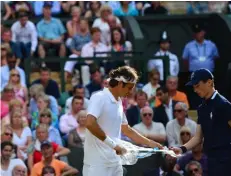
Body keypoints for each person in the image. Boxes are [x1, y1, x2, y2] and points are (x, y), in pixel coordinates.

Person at [83, 66, 162, 176]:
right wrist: (113, 145)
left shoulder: (119, 102)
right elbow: (90, 123)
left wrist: (150, 142)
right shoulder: (99, 97)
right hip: (97, 164)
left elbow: (127, 129)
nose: (130, 92)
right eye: (129, 88)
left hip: (115, 163)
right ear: (120, 84)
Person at [171, 68, 231, 176]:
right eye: (193, 87)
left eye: (197, 85)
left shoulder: (224, 105)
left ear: (209, 82)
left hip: (226, 160)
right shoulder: (202, 108)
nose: (195, 90)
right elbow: (198, 137)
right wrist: (181, 149)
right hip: (210, 160)